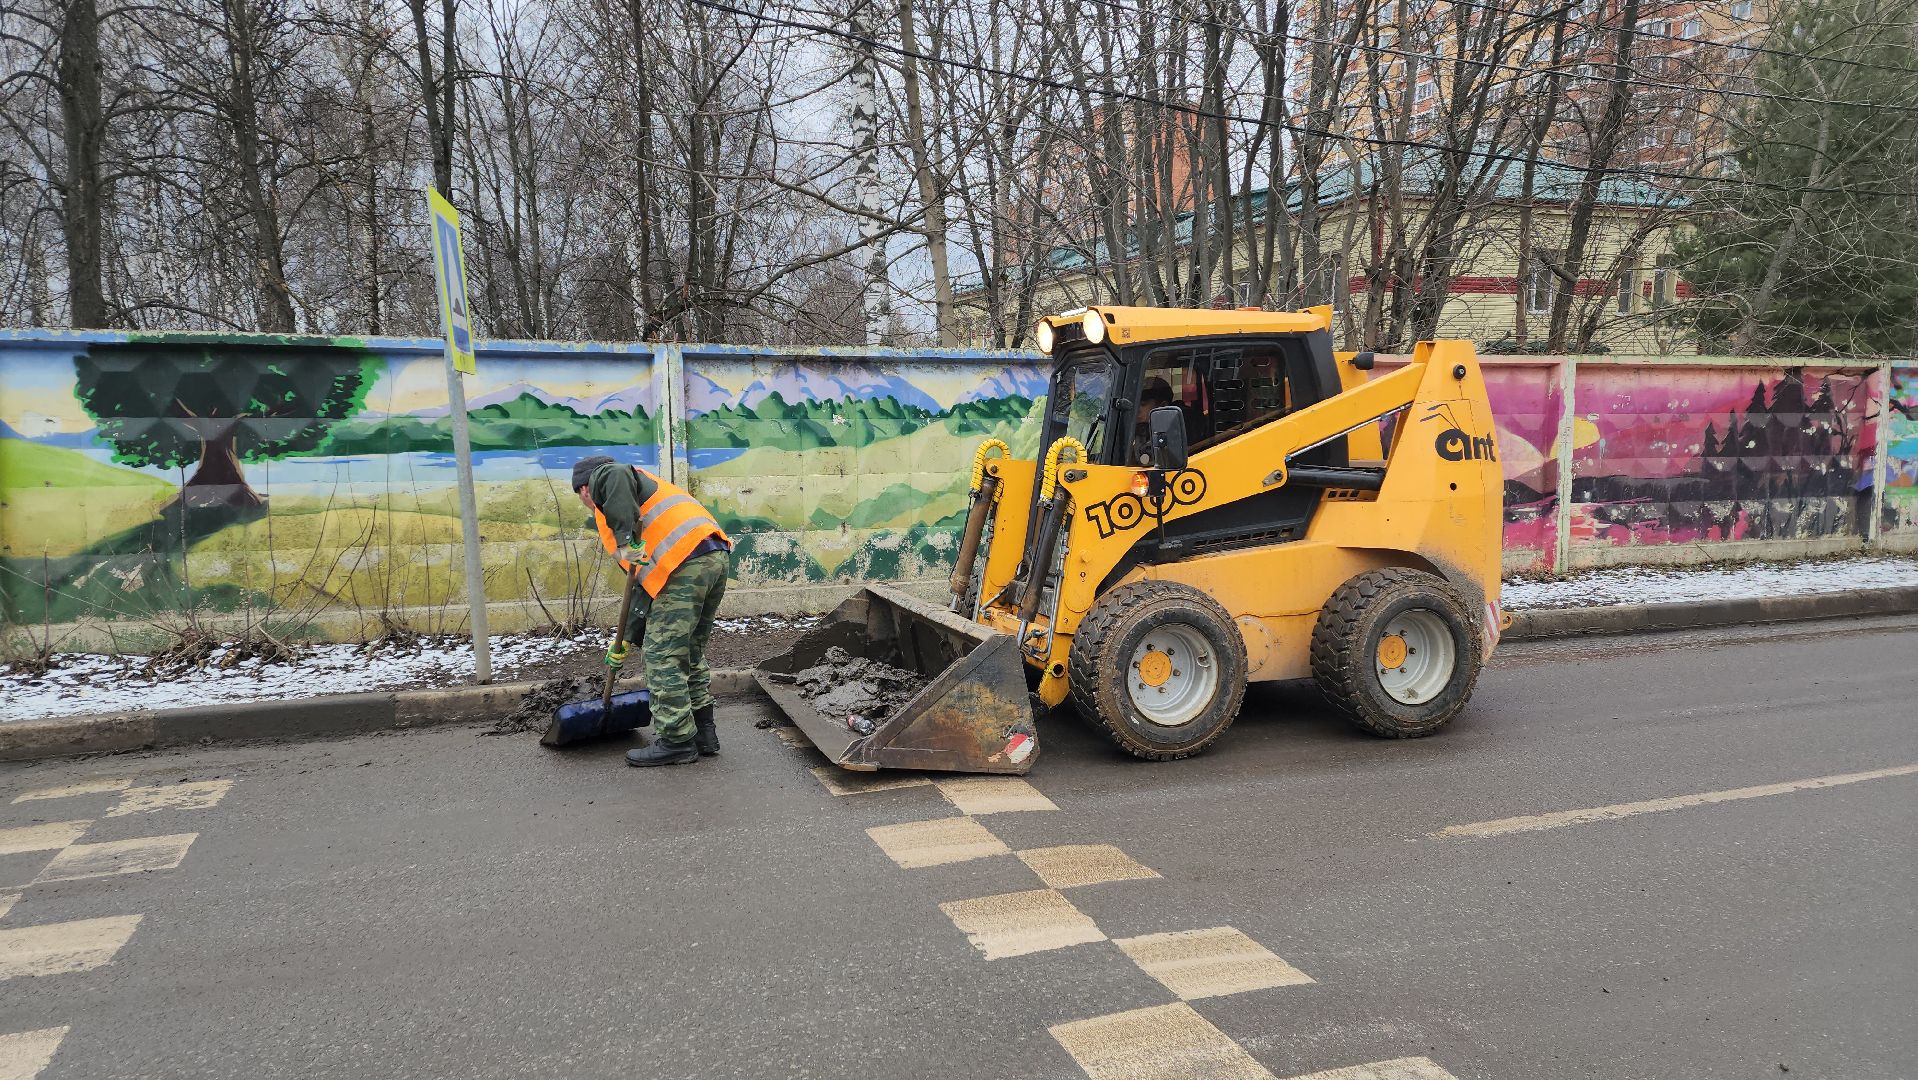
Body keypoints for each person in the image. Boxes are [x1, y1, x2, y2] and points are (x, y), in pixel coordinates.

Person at [571, 455, 732, 767]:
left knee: (662, 655)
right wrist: (625, 640)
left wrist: (624, 541)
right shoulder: (640, 498)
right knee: (688, 650)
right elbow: (644, 589)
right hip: (711, 556)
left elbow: (615, 473)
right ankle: (703, 733)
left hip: (684, 562)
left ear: (584, 489)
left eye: (581, 495)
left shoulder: (607, 479)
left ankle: (676, 741)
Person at [1129, 377, 1175, 466]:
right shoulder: (1136, 430)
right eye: (1135, 404)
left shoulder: (1173, 435)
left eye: (1143, 404)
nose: (1137, 410)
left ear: (1162, 407)